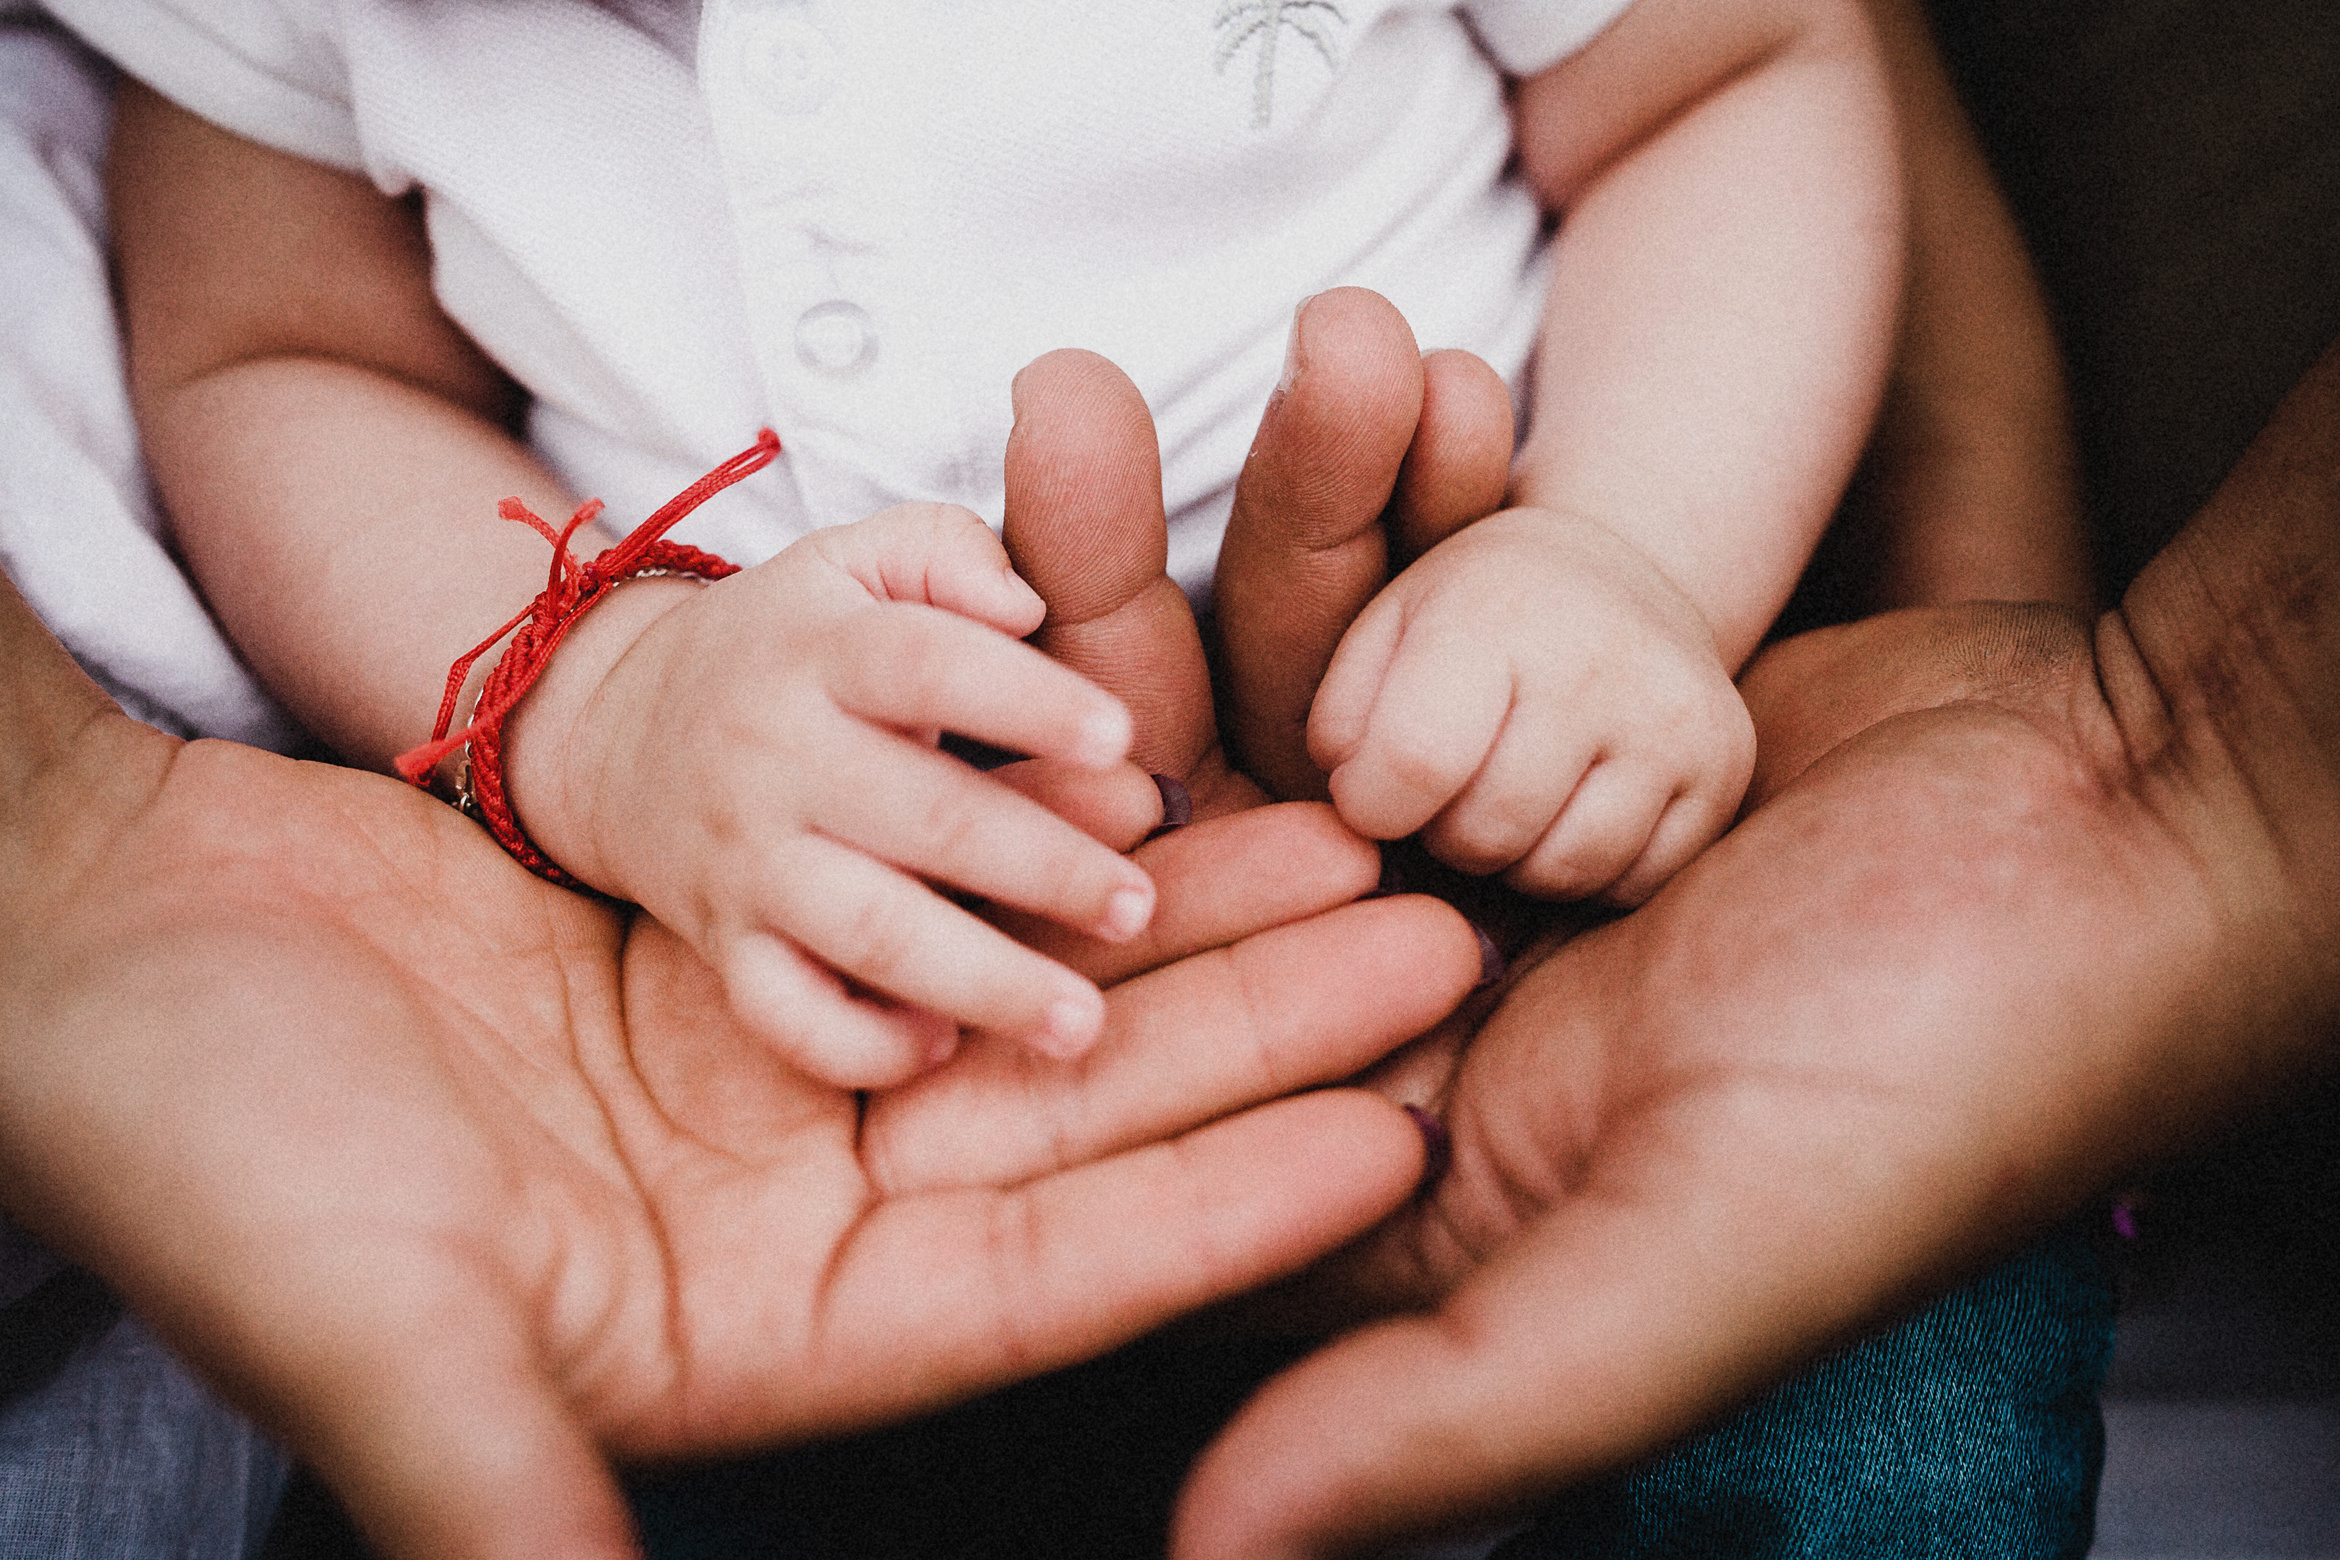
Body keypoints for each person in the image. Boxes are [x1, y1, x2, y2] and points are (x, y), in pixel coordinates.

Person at [51, 0, 1962, 1093]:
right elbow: (273, 356)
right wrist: (609, 699)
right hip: (783, 988)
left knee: (1854, 1280)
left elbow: (1731, 76)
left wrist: (1630, 549)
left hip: (1516, 755)